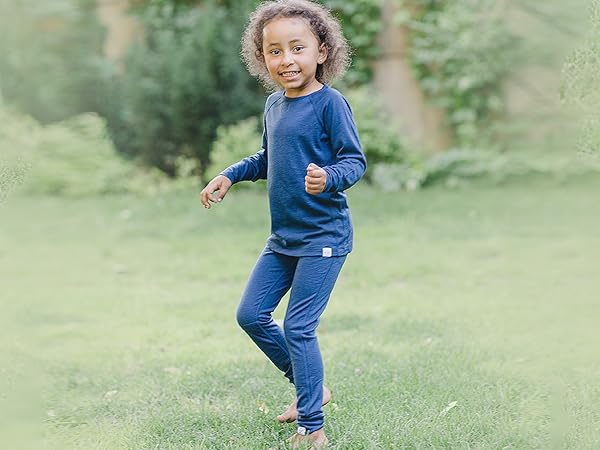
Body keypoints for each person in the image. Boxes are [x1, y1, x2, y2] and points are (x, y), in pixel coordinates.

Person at [200, 1, 366, 447]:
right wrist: (230, 174)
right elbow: (269, 159)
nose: (286, 59)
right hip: (284, 239)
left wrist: (328, 177)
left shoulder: (331, 105)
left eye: (297, 48)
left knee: (298, 326)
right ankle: (313, 388)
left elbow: (355, 161)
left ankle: (312, 428)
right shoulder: (275, 105)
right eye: (275, 51)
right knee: (250, 315)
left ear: (322, 52)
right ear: (262, 57)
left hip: (324, 238)